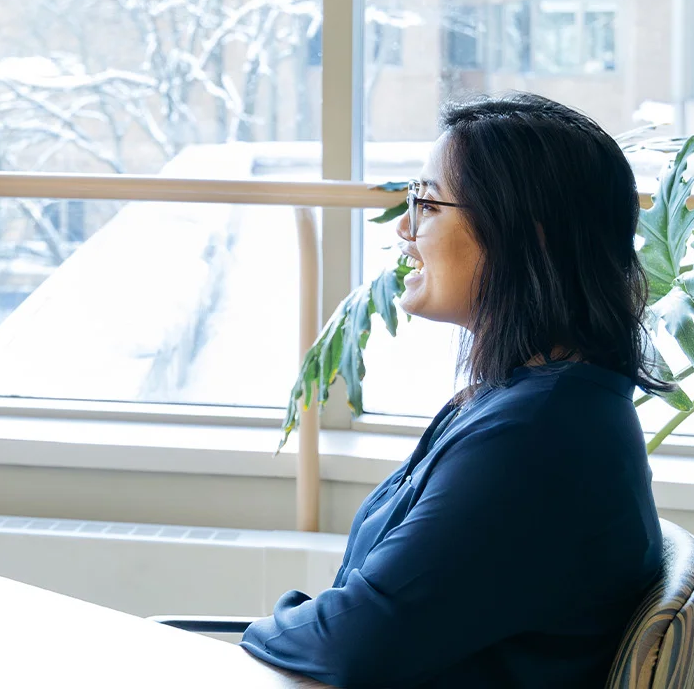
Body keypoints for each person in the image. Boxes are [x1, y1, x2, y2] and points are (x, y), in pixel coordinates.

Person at [241, 94, 666, 687]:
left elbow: (352, 644)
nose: (404, 227)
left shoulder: (535, 438)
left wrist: (266, 628)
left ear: (530, 236)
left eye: (428, 203)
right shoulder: (543, 402)